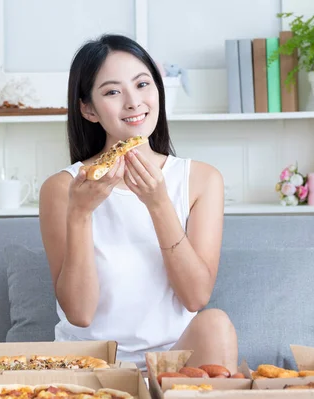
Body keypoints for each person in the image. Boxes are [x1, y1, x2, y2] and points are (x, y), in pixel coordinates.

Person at [39, 33, 238, 373]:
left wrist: (158, 204)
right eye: (113, 91)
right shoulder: (63, 188)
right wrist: (80, 213)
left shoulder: (202, 180)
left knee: (215, 324)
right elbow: (80, 314)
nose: (133, 102)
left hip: (172, 365)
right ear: (88, 109)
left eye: (143, 84)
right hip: (91, 365)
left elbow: (195, 297)